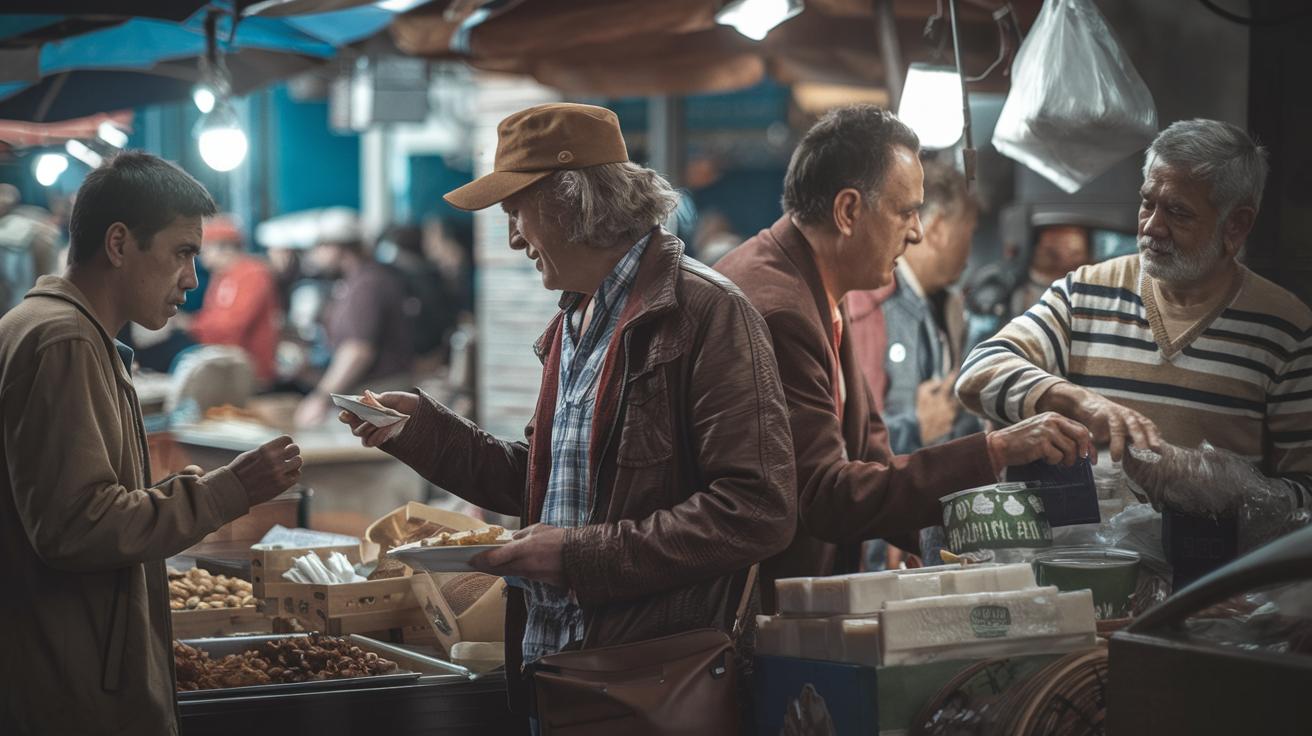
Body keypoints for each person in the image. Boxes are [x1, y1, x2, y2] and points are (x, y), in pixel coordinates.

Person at [339, 103, 795, 720]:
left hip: (650, 680)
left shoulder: (708, 313)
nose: (512, 238)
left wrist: (575, 556)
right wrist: (422, 431)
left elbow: (755, 512)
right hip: (554, 666)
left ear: (571, 200)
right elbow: (548, 485)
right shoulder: (572, 323)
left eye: (515, 212)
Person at [715, 106, 1095, 608]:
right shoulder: (781, 308)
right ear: (848, 211)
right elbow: (825, 495)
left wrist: (938, 542)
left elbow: (871, 455)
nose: (916, 232)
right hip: (751, 612)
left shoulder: (817, 282)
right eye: (905, 211)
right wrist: (995, 450)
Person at [0, 152, 303, 735]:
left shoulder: (53, 331)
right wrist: (227, 492)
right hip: (69, 692)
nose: (192, 277)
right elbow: (77, 525)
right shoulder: (62, 340)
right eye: (182, 252)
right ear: (119, 243)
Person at [956, 119, 1312, 578]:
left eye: (1179, 213)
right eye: (1147, 203)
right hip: (1081, 589)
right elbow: (978, 372)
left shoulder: (1287, 330)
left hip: (1211, 606)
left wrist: (1222, 489)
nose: (1152, 226)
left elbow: (1305, 507)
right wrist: (1078, 400)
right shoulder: (1085, 294)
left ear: (1236, 225)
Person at [293, 208, 413, 427]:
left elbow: (357, 351)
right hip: (368, 397)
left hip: (380, 399)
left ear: (340, 248)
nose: (315, 254)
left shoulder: (367, 284)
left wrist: (320, 398)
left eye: (320, 246)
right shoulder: (354, 282)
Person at [186, 214, 281, 386]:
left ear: (225, 248)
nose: (201, 257)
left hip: (253, 374)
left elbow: (232, 326)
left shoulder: (253, 274)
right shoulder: (220, 276)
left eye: (205, 249)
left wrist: (191, 324)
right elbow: (213, 316)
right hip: (228, 369)